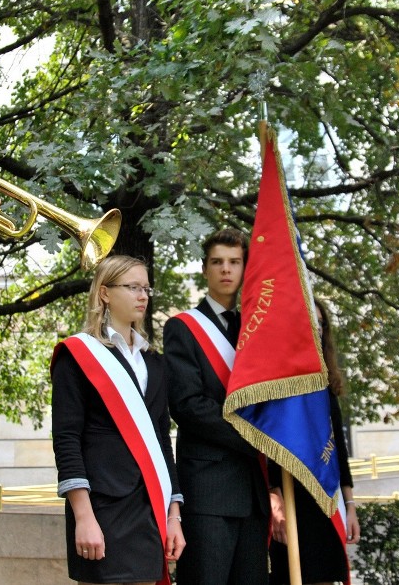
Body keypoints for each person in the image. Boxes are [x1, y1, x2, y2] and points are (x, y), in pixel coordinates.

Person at [51, 255, 186, 585]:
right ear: (105, 293)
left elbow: (160, 440)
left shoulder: (154, 363)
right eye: (133, 287)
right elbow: (66, 438)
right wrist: (83, 516)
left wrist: (174, 515)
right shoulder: (77, 355)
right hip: (102, 507)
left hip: (149, 506)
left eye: (146, 288)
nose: (143, 295)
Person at [163, 228, 270, 585]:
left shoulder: (255, 330)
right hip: (208, 490)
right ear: (205, 269)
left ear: (245, 270)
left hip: (253, 493)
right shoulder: (183, 328)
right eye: (217, 262)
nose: (226, 270)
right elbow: (188, 405)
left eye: (235, 262)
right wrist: (256, 438)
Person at [268, 298, 361, 585]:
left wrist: (350, 504)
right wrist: (275, 497)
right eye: (311, 321)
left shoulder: (326, 383)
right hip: (292, 498)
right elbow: (270, 445)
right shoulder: (280, 381)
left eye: (321, 324)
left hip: (326, 496)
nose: (317, 329)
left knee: (323, 575)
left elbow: (340, 452)